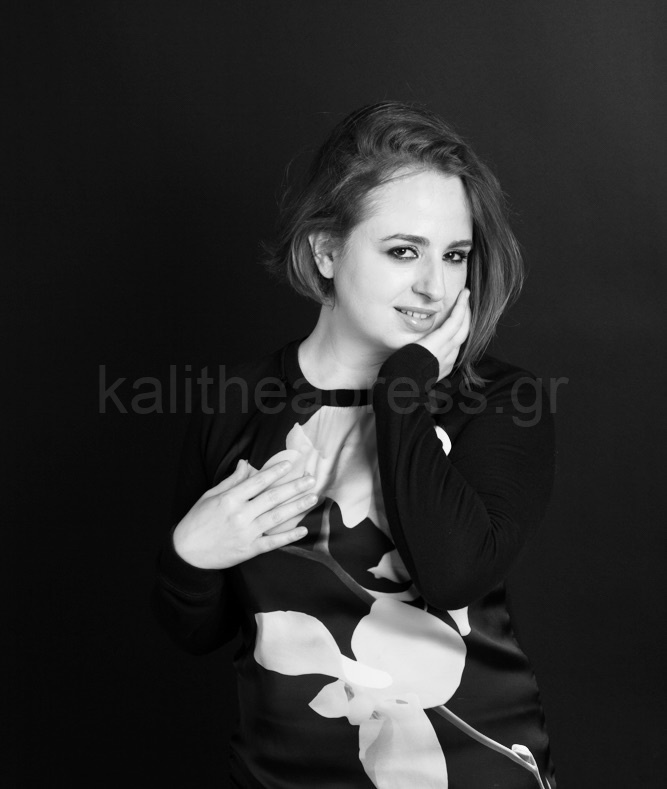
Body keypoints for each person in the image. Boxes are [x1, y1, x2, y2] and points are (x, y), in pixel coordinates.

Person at [152, 102, 557, 789]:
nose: (434, 286)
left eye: (454, 255)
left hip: (472, 772)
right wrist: (189, 554)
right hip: (277, 776)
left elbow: (453, 575)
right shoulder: (238, 402)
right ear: (327, 251)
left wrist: (402, 387)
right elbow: (198, 632)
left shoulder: (501, 400)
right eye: (403, 251)